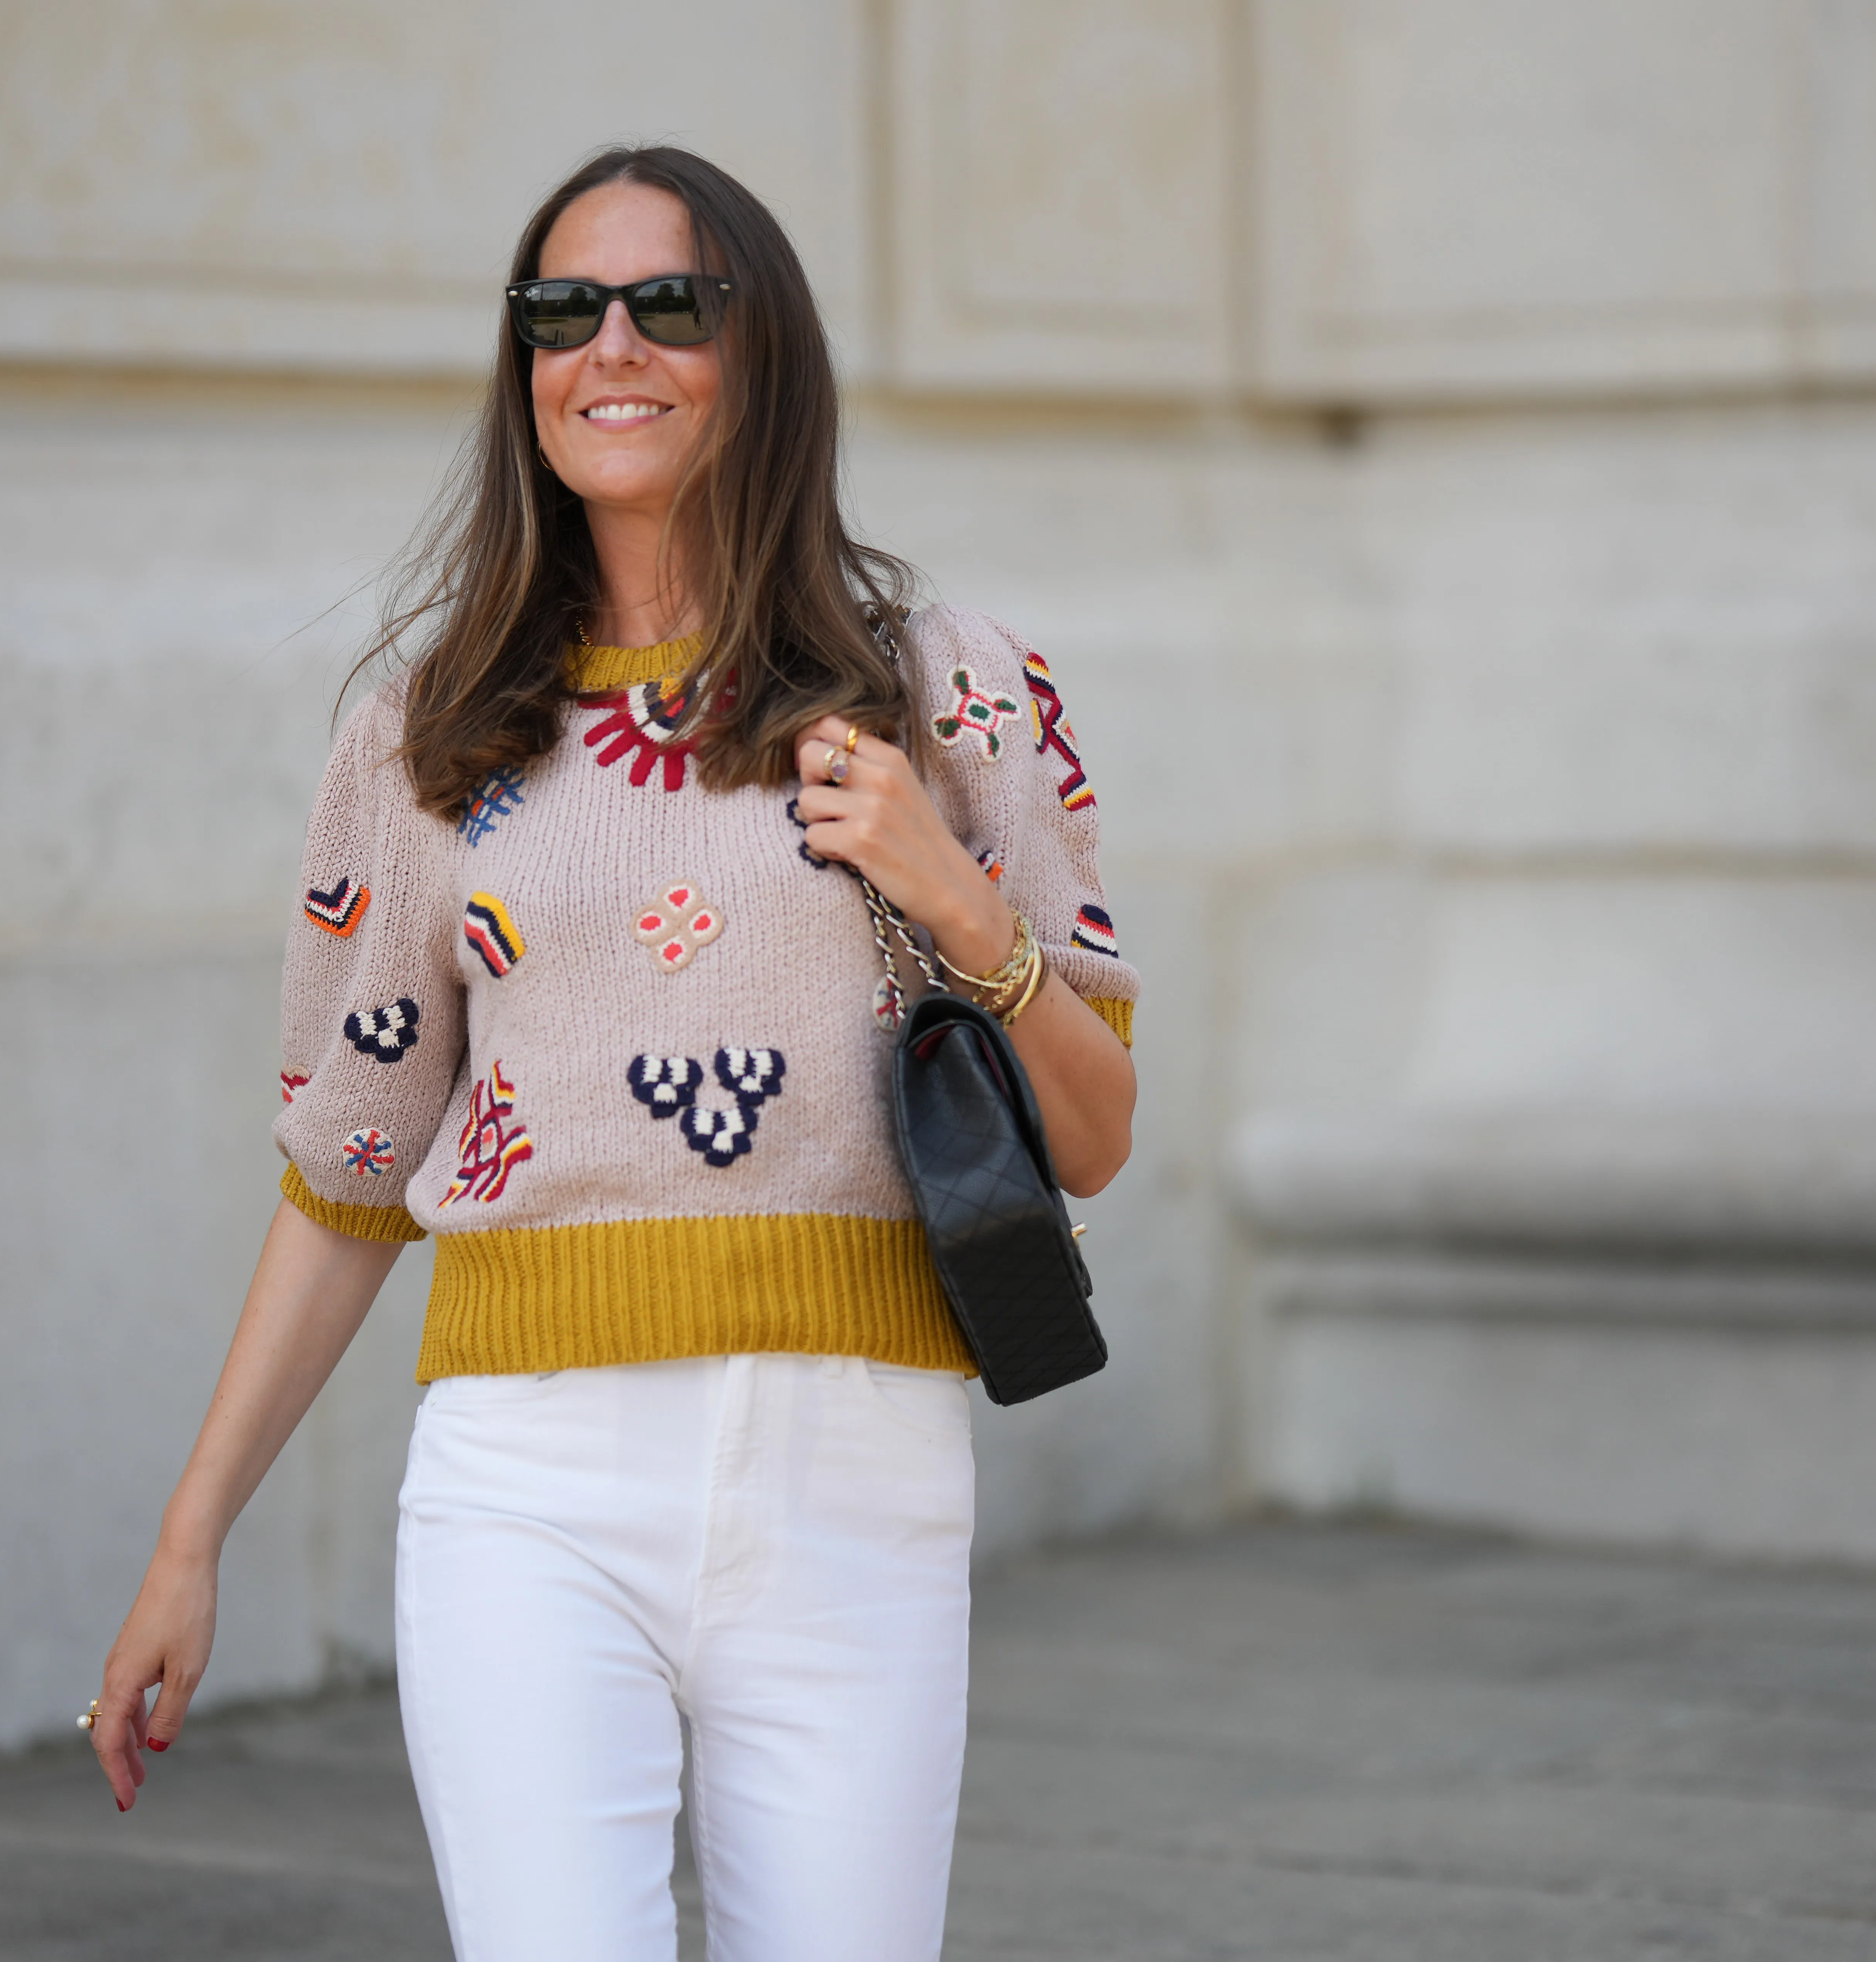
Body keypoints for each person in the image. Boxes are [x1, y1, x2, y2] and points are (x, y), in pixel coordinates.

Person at [86, 143, 1139, 1962]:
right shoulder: (429, 735)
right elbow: (349, 1176)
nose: (612, 345)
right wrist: (193, 1537)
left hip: (856, 1484)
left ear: (768, 355)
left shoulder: (948, 691)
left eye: (674, 303)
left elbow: (1102, 1131)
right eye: (562, 310)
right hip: (530, 1491)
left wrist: (952, 894)